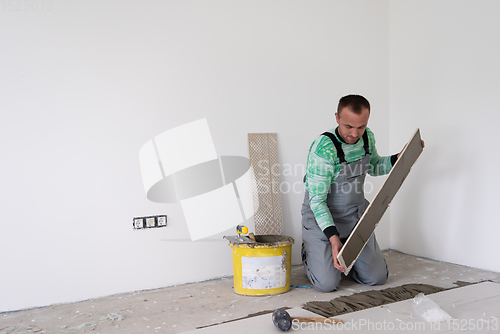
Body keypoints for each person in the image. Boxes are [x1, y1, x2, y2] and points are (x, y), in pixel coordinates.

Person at [301, 94, 424, 292]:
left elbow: (374, 166)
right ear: (337, 118)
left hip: (354, 217)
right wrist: (334, 240)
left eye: (361, 127)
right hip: (322, 221)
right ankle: (311, 252)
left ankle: (347, 263)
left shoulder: (367, 137)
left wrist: (398, 159)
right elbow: (317, 202)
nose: (354, 134)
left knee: (377, 278)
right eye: (349, 126)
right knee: (327, 284)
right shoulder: (323, 149)